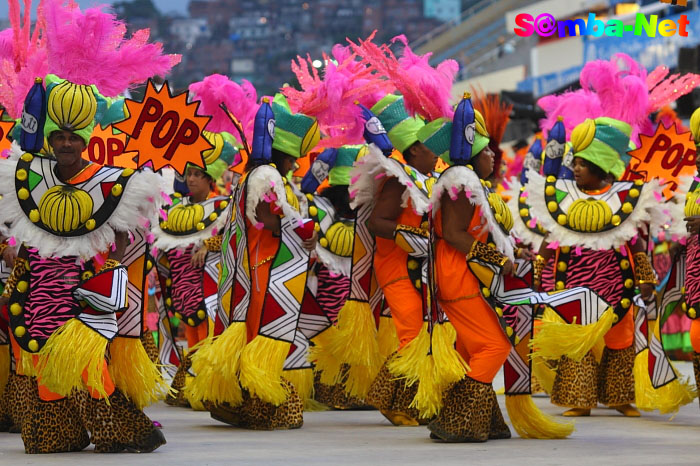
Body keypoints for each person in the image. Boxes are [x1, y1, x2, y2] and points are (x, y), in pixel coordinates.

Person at [0, 75, 166, 453]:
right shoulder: (32, 175)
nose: (66, 143)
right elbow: (23, 229)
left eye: (74, 137)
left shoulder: (108, 182)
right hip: (39, 296)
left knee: (89, 372)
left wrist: (108, 275)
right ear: (51, 139)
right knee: (47, 391)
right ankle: (61, 432)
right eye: (59, 136)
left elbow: (122, 236)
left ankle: (122, 429)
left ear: (86, 140)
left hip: (81, 298)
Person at [190, 94, 320, 430]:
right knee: (263, 335)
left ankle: (239, 400)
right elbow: (267, 218)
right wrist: (304, 228)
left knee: (251, 334)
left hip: (250, 271)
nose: (295, 165)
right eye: (294, 158)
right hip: (264, 271)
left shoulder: (255, 175)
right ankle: (258, 404)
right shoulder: (266, 176)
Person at [153, 132, 236, 408]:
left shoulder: (223, 206)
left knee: (207, 335)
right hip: (181, 287)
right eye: (189, 173)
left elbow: (233, 240)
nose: (191, 179)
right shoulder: (176, 208)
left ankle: (208, 388)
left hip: (207, 289)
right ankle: (192, 386)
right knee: (191, 335)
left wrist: (208, 246)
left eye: (197, 174)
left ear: (210, 179)